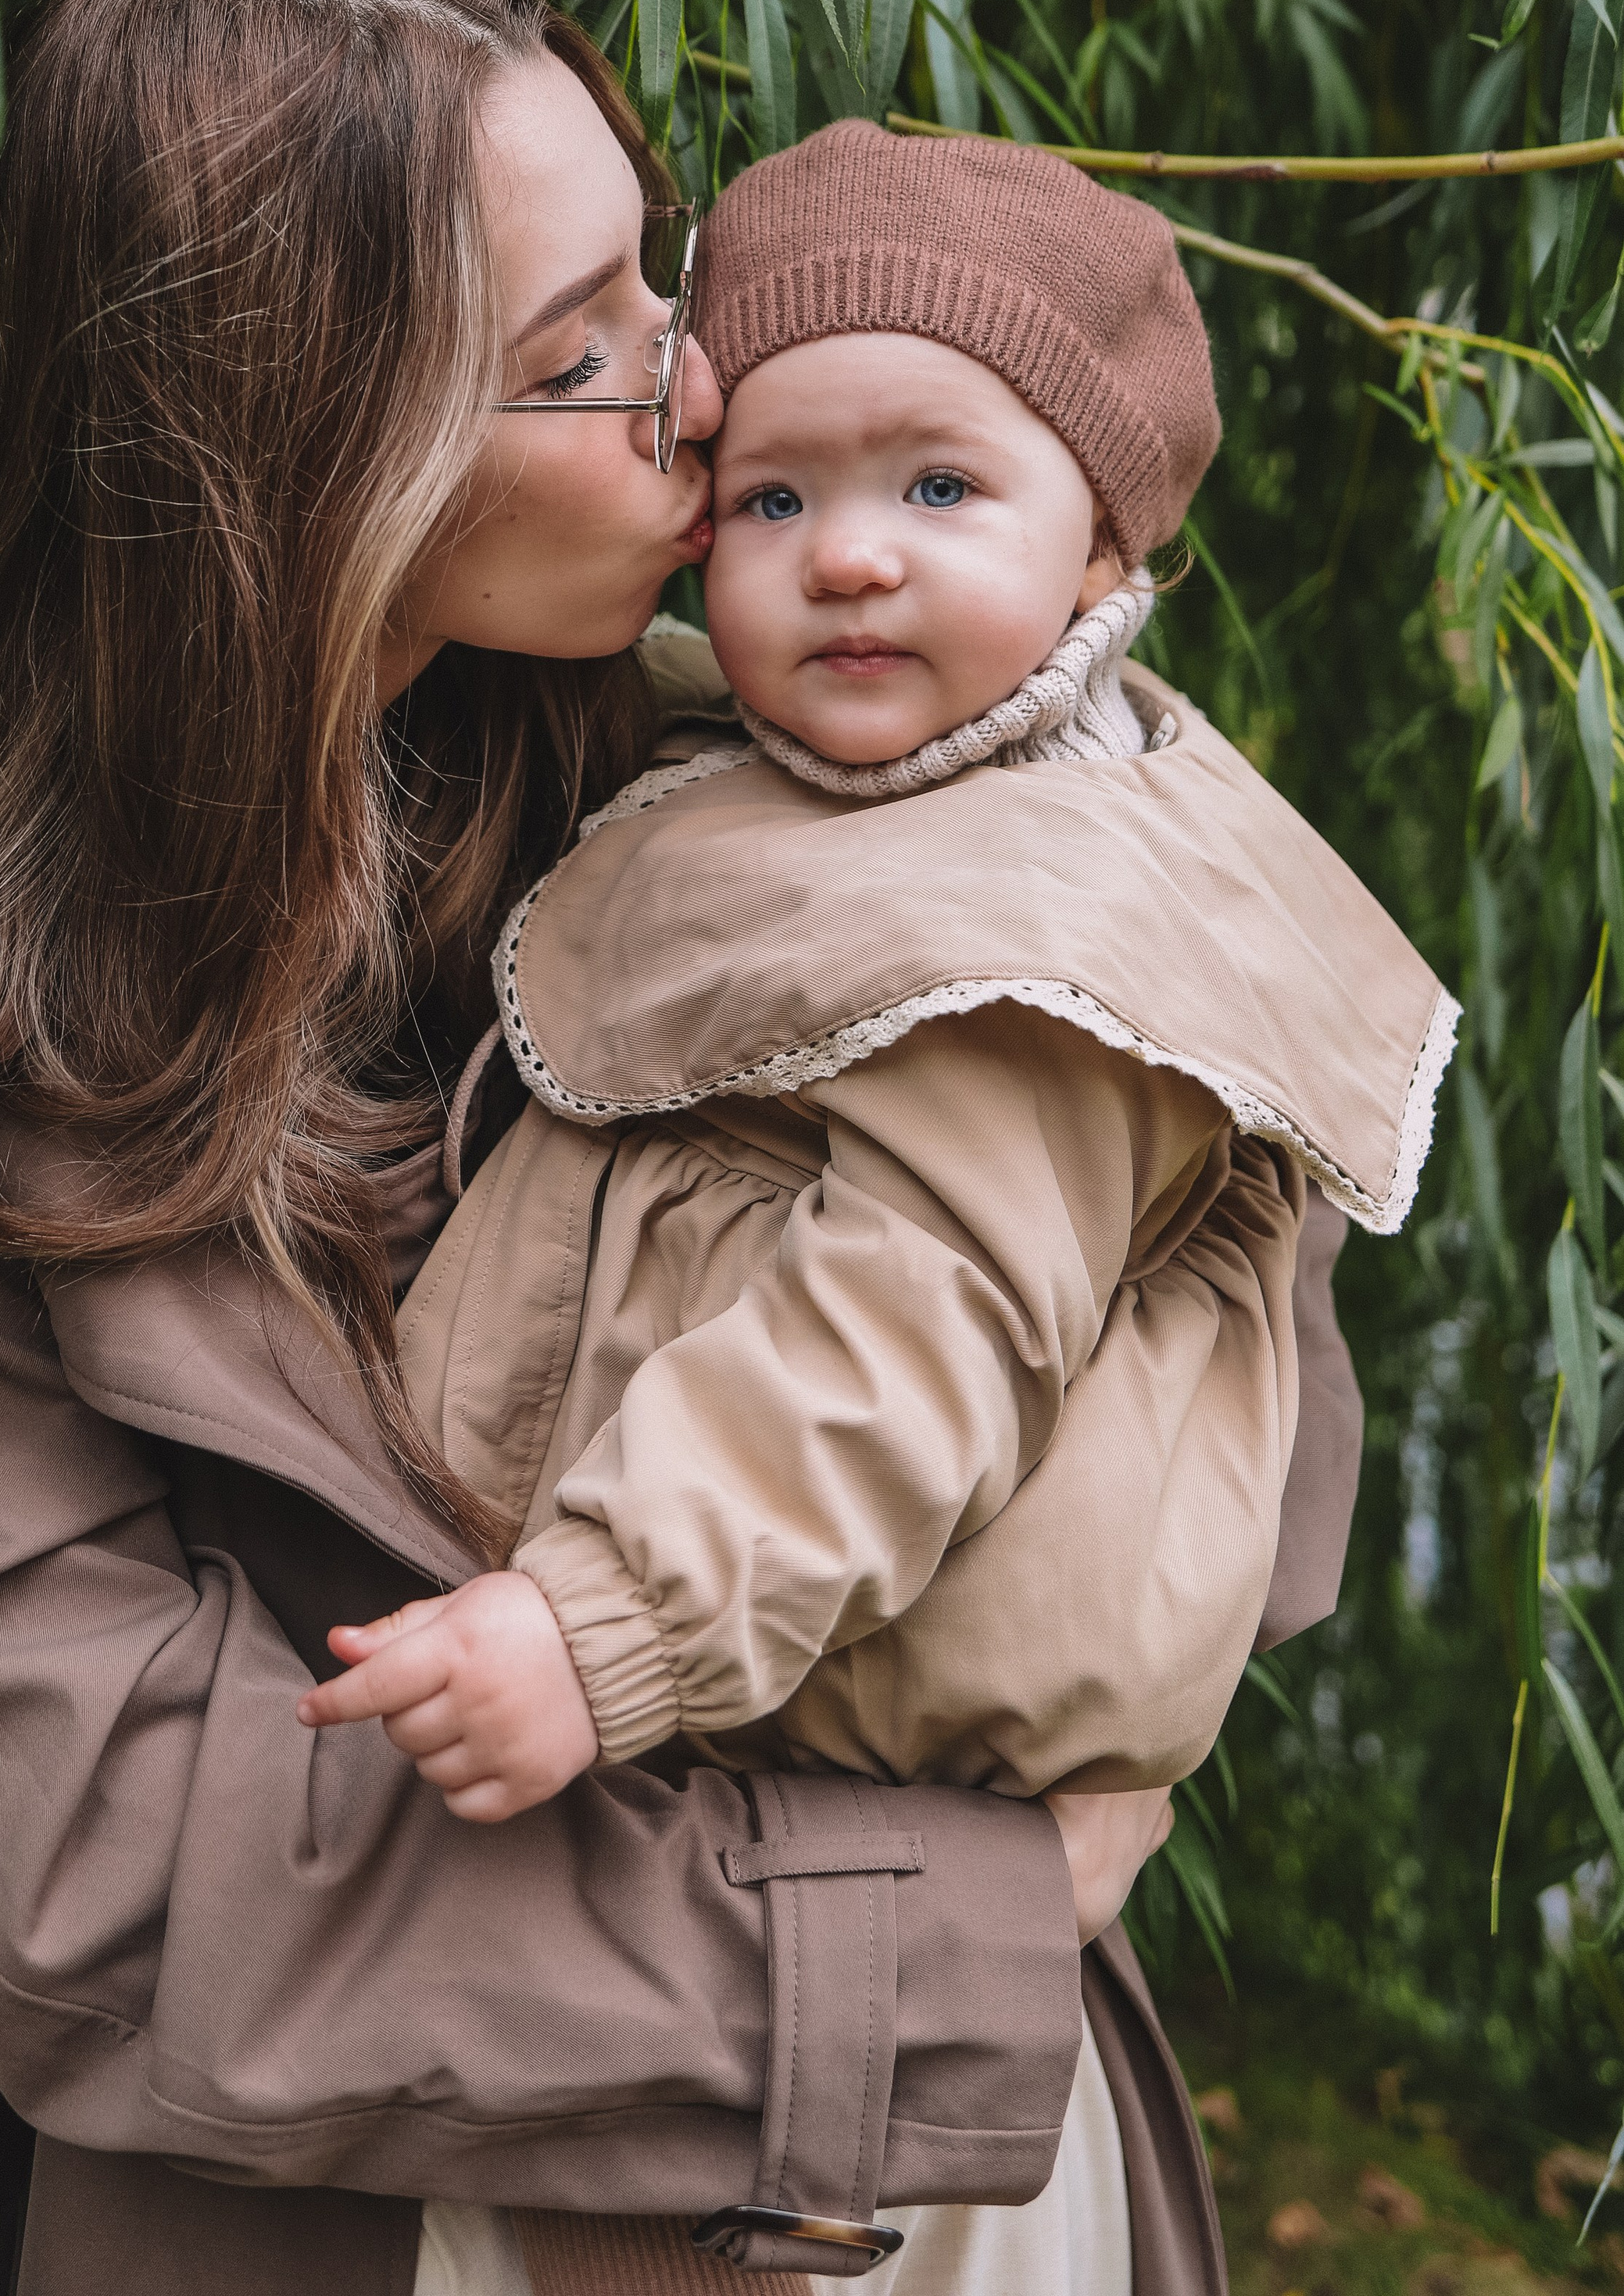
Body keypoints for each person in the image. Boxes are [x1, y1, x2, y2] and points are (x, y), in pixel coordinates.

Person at [0, 0, 1358, 2296]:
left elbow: (1213, 1319)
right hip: (315, 2223)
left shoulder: (760, 766)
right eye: (581, 352)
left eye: (657, 280)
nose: (705, 377)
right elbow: (106, 1869)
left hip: (893, 2186)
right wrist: (943, 1921)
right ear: (305, 458)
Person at [299, 121, 1452, 2287]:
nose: (845, 556)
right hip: (729, 1851)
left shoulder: (1037, 928)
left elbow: (913, 1329)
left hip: (817, 1869)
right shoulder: (831, 797)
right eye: (770, 497)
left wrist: (598, 1620)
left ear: (1108, 556)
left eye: (940, 488)